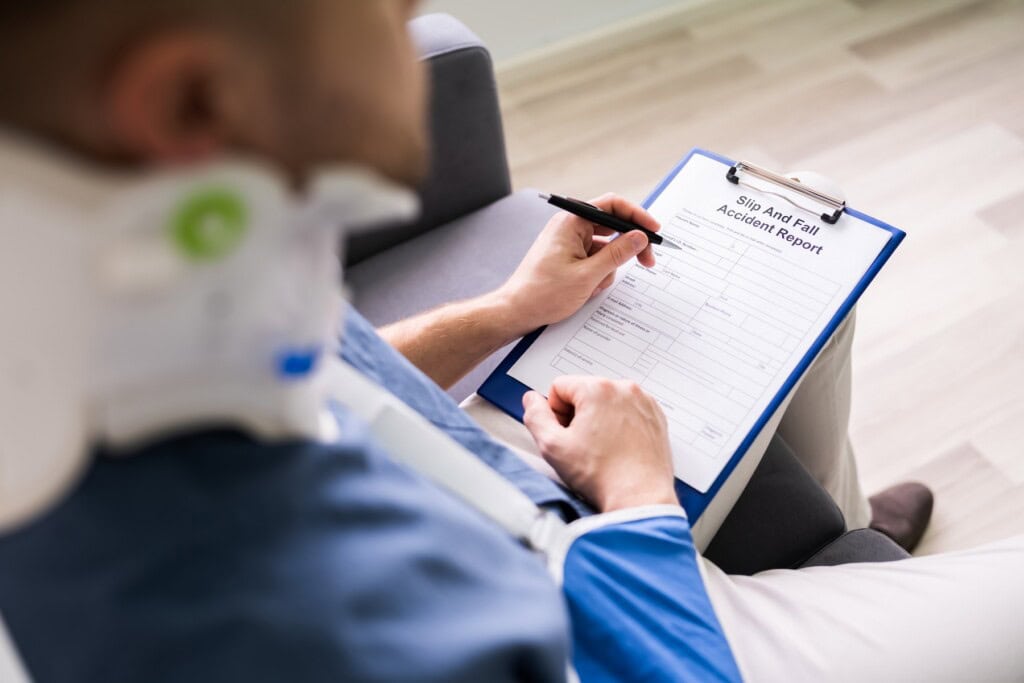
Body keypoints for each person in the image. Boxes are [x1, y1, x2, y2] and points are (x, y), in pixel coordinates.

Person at [0, 1, 1021, 681]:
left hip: (522, 513)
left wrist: (508, 308)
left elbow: (329, 384)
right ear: (190, 97)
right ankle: (834, 580)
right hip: (644, 628)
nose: (415, 20)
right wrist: (639, 501)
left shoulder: (132, 282)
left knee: (810, 254)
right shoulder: (272, 622)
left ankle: (841, 542)